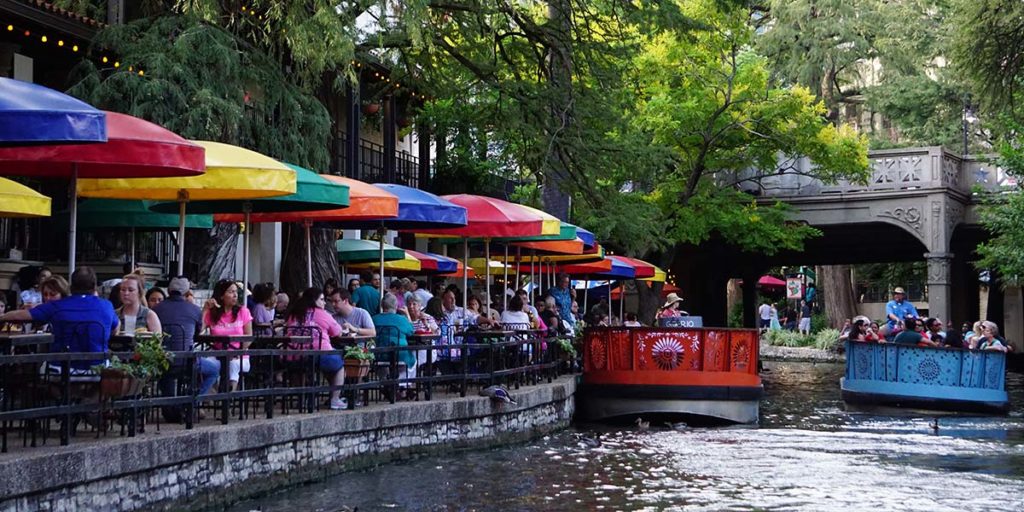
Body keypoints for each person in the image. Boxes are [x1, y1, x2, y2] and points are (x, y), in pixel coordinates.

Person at [0, 267, 118, 373]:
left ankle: (61, 396)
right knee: (106, 381)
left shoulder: (56, 306)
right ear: (94, 287)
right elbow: (116, 328)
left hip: (60, 369)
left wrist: (2, 317)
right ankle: (90, 398)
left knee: (41, 371)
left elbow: (19, 316)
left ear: (71, 287)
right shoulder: (106, 306)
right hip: (97, 369)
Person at [153, 277, 220, 418]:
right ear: (187, 292)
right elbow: (198, 332)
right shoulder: (195, 310)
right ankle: (190, 399)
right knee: (214, 370)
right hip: (187, 361)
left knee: (167, 373)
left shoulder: (156, 309)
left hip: (162, 361)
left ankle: (171, 407)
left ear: (169, 291)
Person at [285, 287, 347, 410]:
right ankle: (335, 399)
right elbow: (338, 332)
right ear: (314, 300)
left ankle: (302, 398)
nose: (324, 303)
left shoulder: (293, 314)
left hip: (294, 355)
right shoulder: (323, 314)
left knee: (300, 368)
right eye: (322, 299)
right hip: (320, 354)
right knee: (339, 366)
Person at [203, 279, 253, 391]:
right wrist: (205, 310)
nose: (235, 295)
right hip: (217, 354)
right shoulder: (213, 313)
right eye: (230, 292)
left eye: (236, 292)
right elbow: (199, 330)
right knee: (205, 365)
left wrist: (237, 352)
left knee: (233, 366)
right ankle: (212, 397)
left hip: (239, 355)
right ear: (221, 296)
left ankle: (229, 398)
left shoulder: (243, 311)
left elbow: (249, 336)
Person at [371, 293, 416, 396]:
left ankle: (385, 383)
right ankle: (401, 385)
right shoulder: (402, 319)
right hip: (400, 354)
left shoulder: (374, 319)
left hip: (380, 354)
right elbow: (411, 332)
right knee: (413, 360)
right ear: (396, 306)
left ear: (382, 306)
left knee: (381, 365)